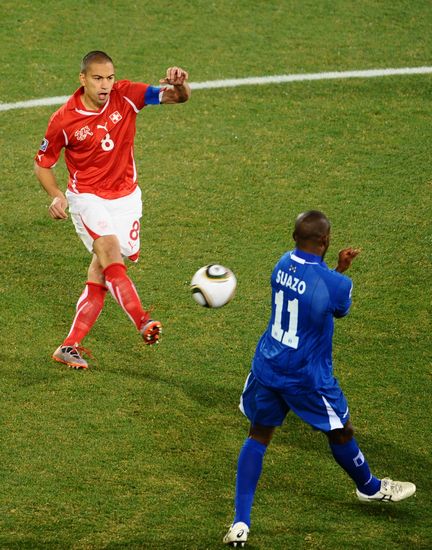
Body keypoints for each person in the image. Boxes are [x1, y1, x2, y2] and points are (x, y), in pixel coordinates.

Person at [223, 210, 416, 547]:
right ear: (326, 240)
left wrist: (334, 268)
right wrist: (339, 272)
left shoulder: (282, 264)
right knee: (341, 430)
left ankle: (241, 522)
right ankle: (369, 487)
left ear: (294, 237)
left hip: (268, 365)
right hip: (306, 376)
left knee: (258, 436)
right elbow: (337, 307)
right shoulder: (337, 285)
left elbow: (307, 291)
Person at [35, 51, 191, 369]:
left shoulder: (127, 95)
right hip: (87, 197)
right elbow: (43, 164)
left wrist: (180, 85)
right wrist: (56, 195)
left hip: (126, 198)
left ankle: (68, 346)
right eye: (97, 78)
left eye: (109, 78)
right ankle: (143, 321)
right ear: (83, 79)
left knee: (104, 270)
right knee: (108, 249)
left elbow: (177, 97)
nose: (105, 85)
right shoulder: (64, 119)